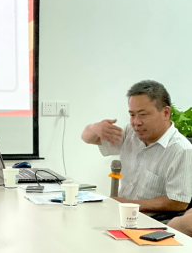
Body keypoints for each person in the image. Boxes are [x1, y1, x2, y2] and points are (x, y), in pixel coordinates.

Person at [81, 80, 192, 213]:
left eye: (143, 115)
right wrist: (95, 128)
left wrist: (128, 204)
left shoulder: (181, 149)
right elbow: (87, 138)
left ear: (166, 113)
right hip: (122, 214)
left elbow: (178, 202)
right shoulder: (131, 133)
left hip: (153, 220)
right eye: (132, 115)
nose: (136, 122)